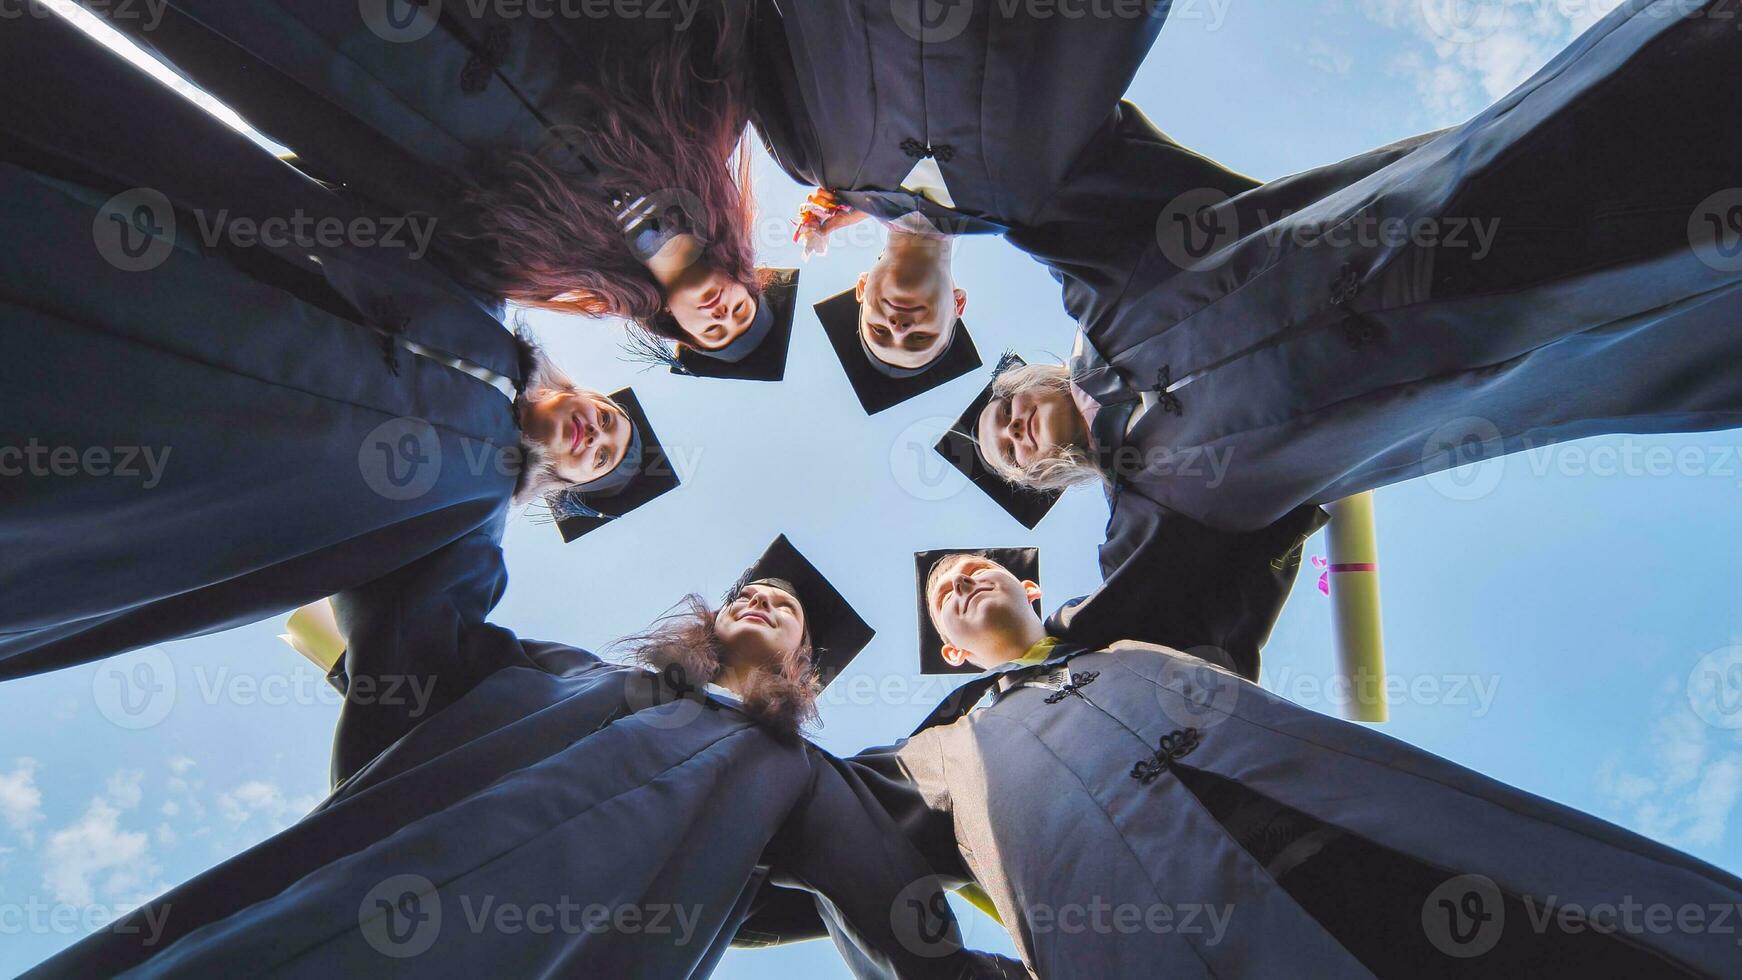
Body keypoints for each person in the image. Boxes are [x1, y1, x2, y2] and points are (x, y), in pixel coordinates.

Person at [27, 530, 1019, 978]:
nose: (759, 597)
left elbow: (885, 899)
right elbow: (411, 623)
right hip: (308, 909)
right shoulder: (557, 672)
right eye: (746, 591)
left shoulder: (794, 782)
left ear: (807, 660)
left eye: (785, 605)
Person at [0, 14, 663, 678]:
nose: (597, 436)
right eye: (610, 419)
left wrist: (343, 660)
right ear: (584, 391)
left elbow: (418, 664)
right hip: (189, 258)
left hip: (165, 439)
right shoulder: (482, 295)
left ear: (565, 485)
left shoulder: (468, 526)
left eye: (599, 459)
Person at [982, 0, 1742, 534]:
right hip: (1533, 349)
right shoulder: (1168, 515)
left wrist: (919, 224)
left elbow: (1036, 170)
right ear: (1047, 475)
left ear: (1029, 379)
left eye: (1000, 412)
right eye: (1009, 454)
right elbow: (1139, 665)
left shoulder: (1109, 288)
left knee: (1656, 96)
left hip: (1460, 199)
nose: (1011, 430)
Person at [827, 551, 1742, 976]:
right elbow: (804, 831)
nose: (958, 580)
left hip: (1409, 867)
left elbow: (1238, 520)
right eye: (943, 593)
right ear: (949, 653)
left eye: (975, 566)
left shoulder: (1149, 622)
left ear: (1029, 584)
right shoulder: (935, 759)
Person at [86, 0, 802, 375]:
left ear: (677, 329)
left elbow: (411, 209)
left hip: (380, 83)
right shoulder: (705, 130)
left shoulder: (544, 269)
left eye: (715, 332)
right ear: (746, 278)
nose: (725, 315)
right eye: (743, 312)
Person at [751, 1, 1255, 376]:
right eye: (920, 338)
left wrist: (860, 196)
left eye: (879, 330)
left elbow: (738, 35)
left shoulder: (811, 157)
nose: (900, 327)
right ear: (958, 305)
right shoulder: (1037, 201)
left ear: (862, 289)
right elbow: (1207, 227)